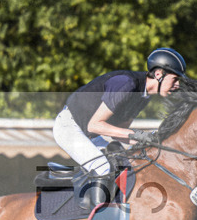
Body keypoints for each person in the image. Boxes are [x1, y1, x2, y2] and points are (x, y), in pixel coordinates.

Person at [53, 47, 188, 207]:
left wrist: (153, 142)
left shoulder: (143, 97)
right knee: (103, 168)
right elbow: (95, 125)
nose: (177, 85)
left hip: (90, 135)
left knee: (125, 165)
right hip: (69, 127)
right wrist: (138, 135)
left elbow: (118, 132)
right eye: (175, 79)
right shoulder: (127, 84)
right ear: (159, 74)